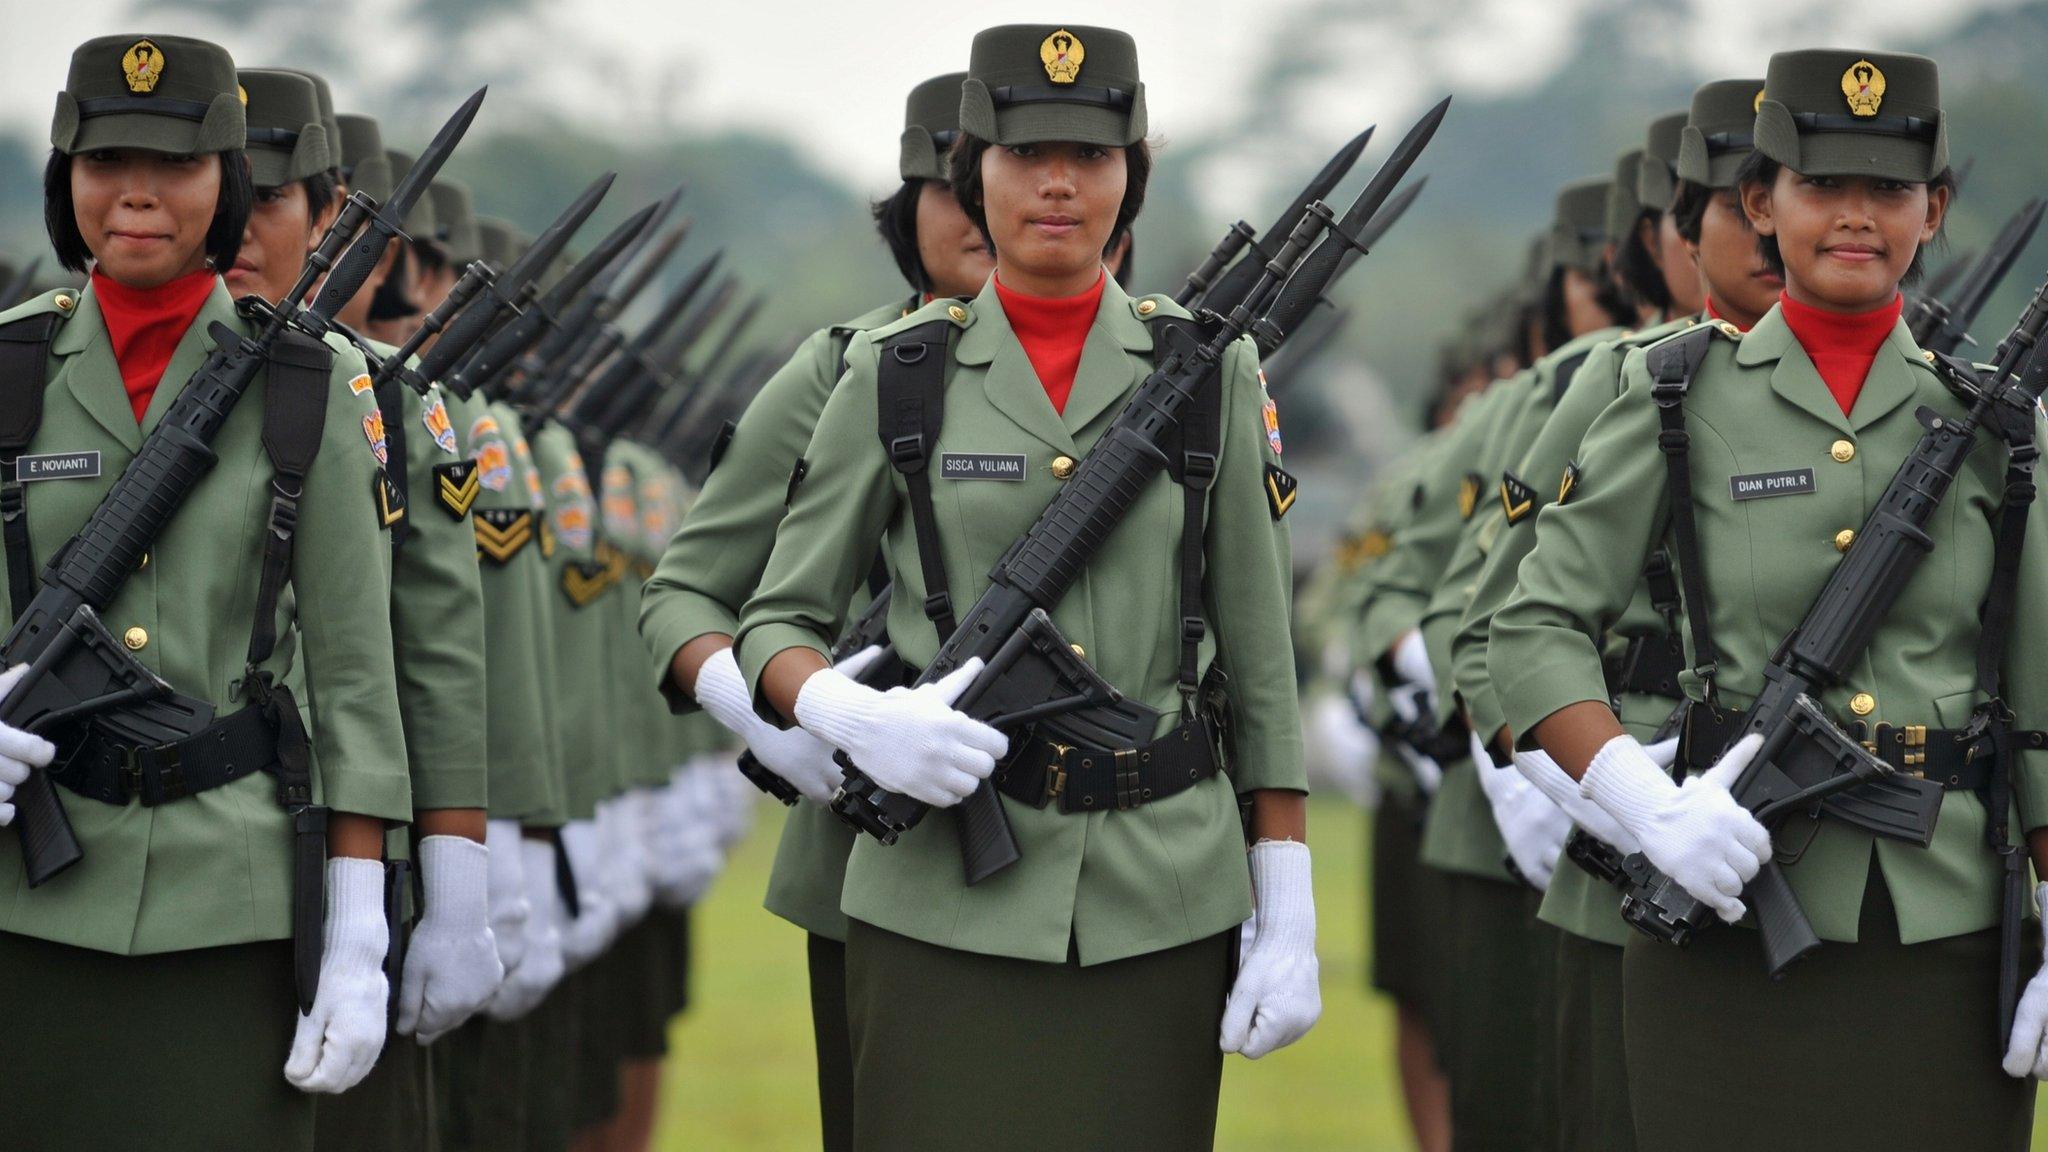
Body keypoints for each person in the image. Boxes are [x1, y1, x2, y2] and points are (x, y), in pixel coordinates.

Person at [732, 25, 1316, 1150]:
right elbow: (776, 619)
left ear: (1128, 181)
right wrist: (852, 714)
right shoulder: (896, 371)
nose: (1057, 182)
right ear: (972, 175)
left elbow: (1258, 660)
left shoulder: (1210, 373)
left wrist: (1284, 899)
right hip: (937, 894)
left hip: (1163, 896)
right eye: (1026, 153)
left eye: (1091, 159)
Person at [1492, 48, 2043, 1150]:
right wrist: (1642, 809)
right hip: (1725, 915)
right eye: (1820, 187)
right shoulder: (1675, 398)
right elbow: (1533, 628)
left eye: (1886, 191)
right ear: (1757, 202)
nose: (1854, 217)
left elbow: (2037, 699)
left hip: (1944, 930)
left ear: (1931, 211)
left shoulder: (1993, 430)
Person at [0, 34, 409, 1150]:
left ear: (225, 184)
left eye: (175, 166)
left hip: (231, 901)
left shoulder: (306, 381)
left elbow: (353, 671)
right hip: (18, 906)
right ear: (63, 177)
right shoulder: (11, 366)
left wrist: (362, 923)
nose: (135, 193)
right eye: (105, 160)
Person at [639, 68, 991, 1151]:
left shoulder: (1162, 368)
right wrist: (778, 720)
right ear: (905, 210)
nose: (984, 212)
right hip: (872, 839)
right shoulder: (844, 369)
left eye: (1012, 175)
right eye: (953, 187)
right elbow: (686, 592)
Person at [1442, 80, 1764, 1152]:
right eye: (1738, 201)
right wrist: (1564, 783)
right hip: (1632, 831)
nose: (1770, 225)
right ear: (1676, 232)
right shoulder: (1623, 382)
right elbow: (1499, 627)